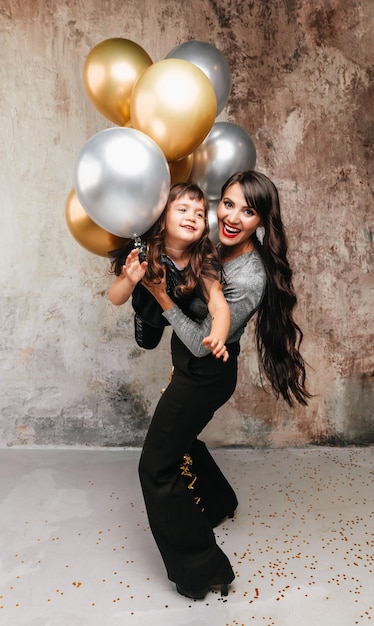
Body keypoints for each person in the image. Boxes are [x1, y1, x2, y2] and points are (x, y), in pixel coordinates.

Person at [135, 170, 311, 600]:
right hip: (190, 370)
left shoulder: (250, 278)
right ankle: (217, 504)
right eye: (227, 204)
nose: (231, 217)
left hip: (205, 374)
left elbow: (200, 343)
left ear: (262, 222)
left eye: (247, 211)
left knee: (156, 467)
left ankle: (203, 570)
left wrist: (159, 297)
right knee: (182, 441)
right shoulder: (214, 247)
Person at [108, 182, 231, 361]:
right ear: (163, 218)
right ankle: (145, 321)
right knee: (147, 342)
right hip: (149, 312)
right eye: (183, 210)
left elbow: (219, 306)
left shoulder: (202, 260)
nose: (192, 217)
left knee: (196, 313)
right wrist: (128, 281)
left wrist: (218, 337)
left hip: (180, 310)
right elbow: (115, 298)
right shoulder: (145, 253)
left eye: (199, 214)